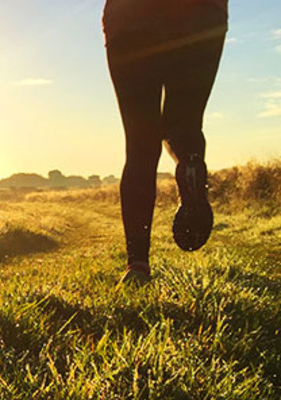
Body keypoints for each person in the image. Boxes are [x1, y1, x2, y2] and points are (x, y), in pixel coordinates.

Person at [103, 0, 228, 284]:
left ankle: (138, 265)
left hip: (131, 18)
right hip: (202, 16)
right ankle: (190, 165)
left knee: (140, 142)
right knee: (184, 124)